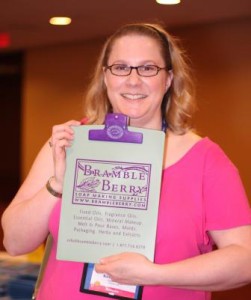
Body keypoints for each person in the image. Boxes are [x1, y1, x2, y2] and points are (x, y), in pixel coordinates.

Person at [2, 22, 251, 300]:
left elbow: (244, 260)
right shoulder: (70, 143)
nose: (133, 80)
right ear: (105, 77)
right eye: (120, 67)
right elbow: (14, 242)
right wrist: (59, 183)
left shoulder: (206, 160)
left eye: (147, 68)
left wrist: (152, 273)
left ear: (168, 79)